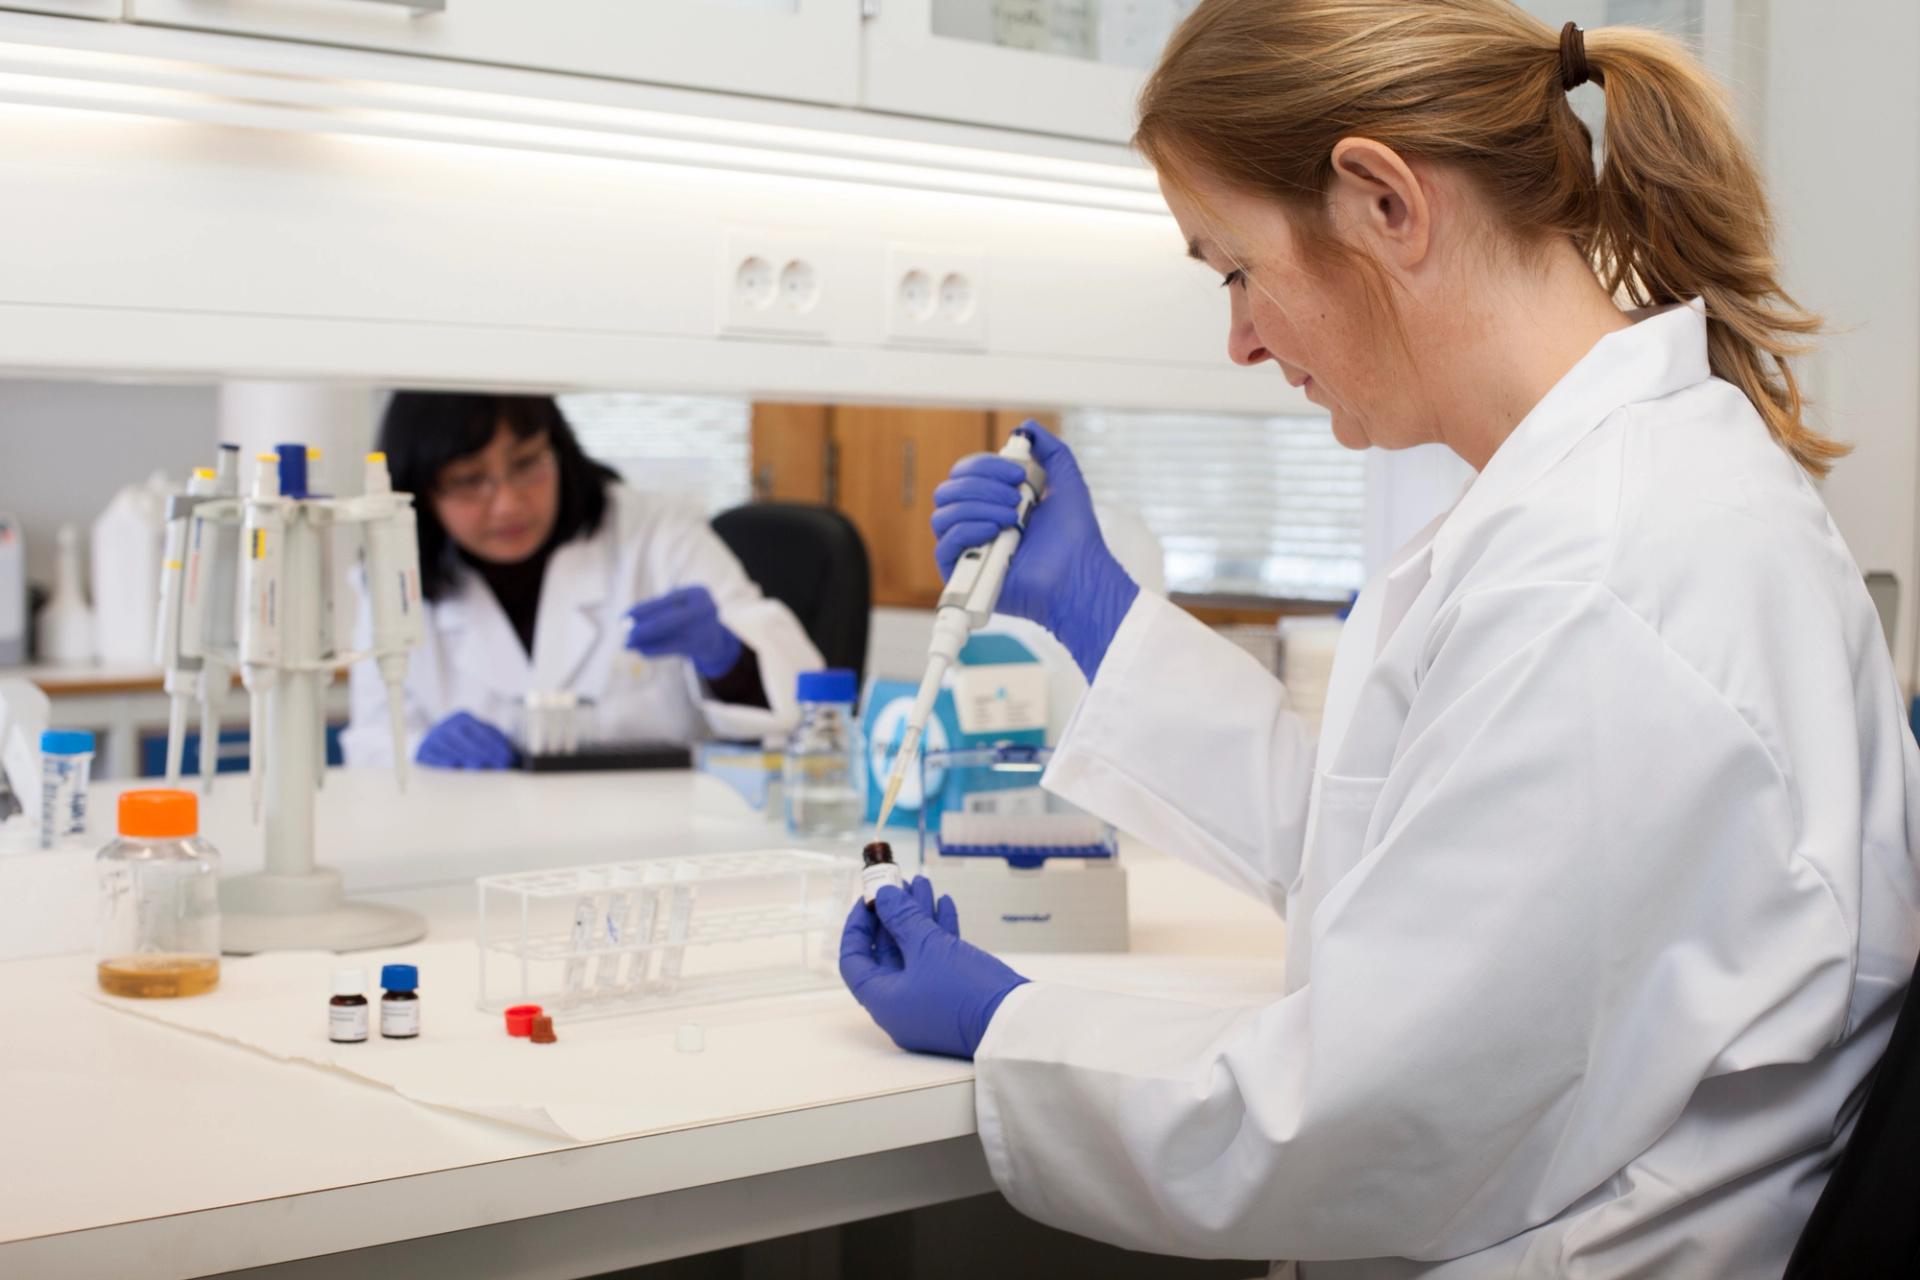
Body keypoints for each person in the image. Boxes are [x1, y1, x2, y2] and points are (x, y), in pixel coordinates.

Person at [837, 4, 1920, 1277]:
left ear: (1385, 204)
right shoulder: (1588, 498)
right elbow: (1398, 861)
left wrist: (1012, 1022)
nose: (1239, 337)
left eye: (1234, 268)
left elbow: (1355, 1118)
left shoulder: (1606, 576)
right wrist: (1107, 620)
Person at [342, 393, 822, 768]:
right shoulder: (395, 576)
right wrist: (420, 749)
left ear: (558, 451)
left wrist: (728, 657)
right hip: (474, 837)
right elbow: (372, 738)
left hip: (652, 840)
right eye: (470, 479)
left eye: (526, 463)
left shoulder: (658, 532)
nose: (508, 503)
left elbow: (803, 703)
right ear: (422, 492)